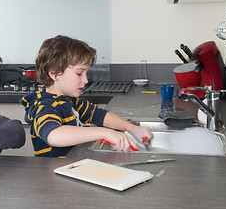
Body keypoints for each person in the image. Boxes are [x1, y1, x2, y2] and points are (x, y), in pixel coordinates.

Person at [20, 35, 152, 158]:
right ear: (54, 74)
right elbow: (53, 135)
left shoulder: (70, 101)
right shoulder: (44, 106)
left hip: (69, 169)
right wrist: (105, 132)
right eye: (79, 74)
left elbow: (99, 115)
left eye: (86, 73)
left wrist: (133, 129)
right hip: (53, 177)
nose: (86, 80)